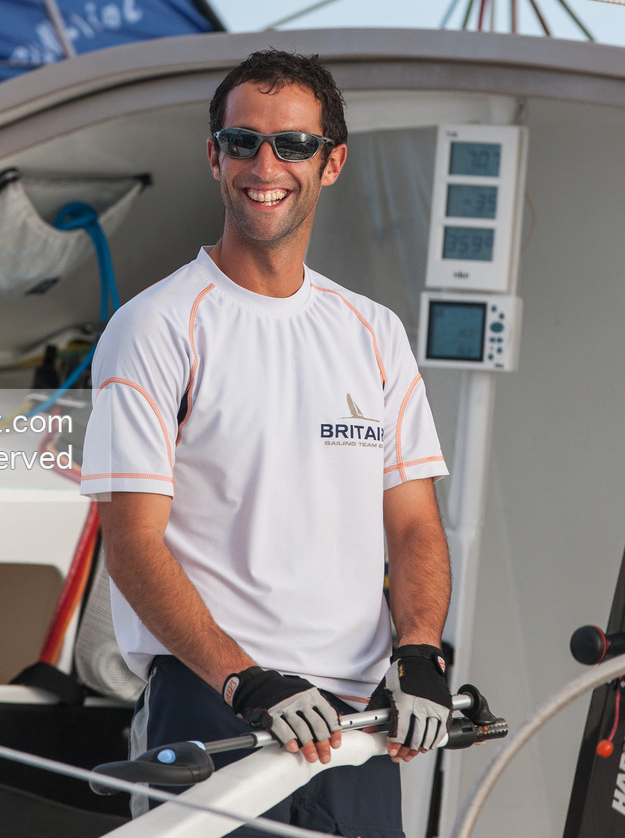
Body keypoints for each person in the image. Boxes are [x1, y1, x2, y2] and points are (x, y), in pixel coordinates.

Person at [79, 49, 454, 837]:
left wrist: (420, 652)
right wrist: (245, 680)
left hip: (357, 725)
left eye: (293, 144)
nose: (266, 164)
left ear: (332, 162)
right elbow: (133, 543)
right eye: (243, 142)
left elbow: (415, 524)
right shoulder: (155, 327)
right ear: (215, 156)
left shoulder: (374, 333)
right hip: (217, 709)